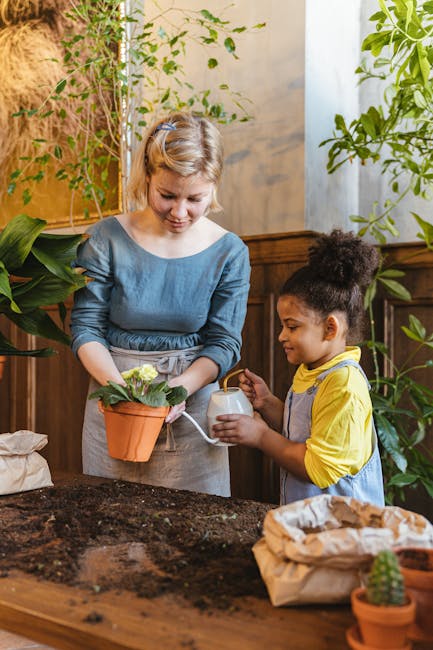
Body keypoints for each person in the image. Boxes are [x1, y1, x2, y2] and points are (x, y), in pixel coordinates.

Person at [70, 111, 250, 497]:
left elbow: (224, 343)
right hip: (112, 401)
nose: (180, 212)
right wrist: (121, 393)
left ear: (213, 189)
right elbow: (85, 327)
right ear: (147, 178)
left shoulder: (229, 252)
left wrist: (178, 390)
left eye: (195, 198)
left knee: (192, 542)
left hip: (191, 411)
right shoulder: (105, 238)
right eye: (167, 195)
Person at [212, 229, 385, 506]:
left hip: (343, 532)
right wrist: (267, 403)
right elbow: (306, 433)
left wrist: (260, 436)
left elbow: (318, 468)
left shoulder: (344, 384)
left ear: (330, 328)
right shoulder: (313, 369)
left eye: (292, 326)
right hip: (310, 524)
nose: (282, 336)